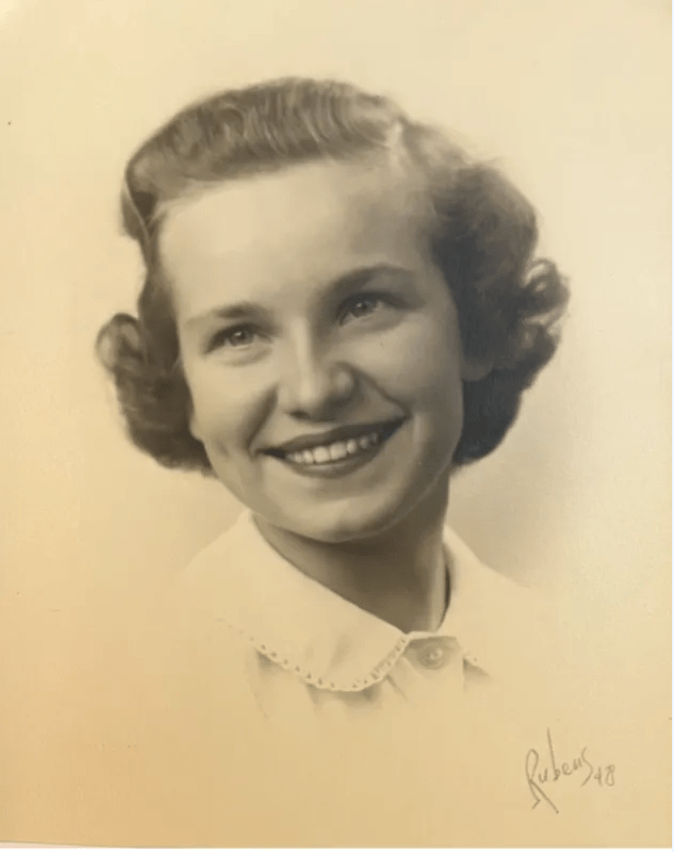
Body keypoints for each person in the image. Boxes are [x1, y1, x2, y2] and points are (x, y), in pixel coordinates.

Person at [93, 77, 574, 843]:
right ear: (181, 389)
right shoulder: (127, 711)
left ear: (474, 327)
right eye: (240, 335)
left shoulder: (585, 665)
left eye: (362, 306)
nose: (315, 389)